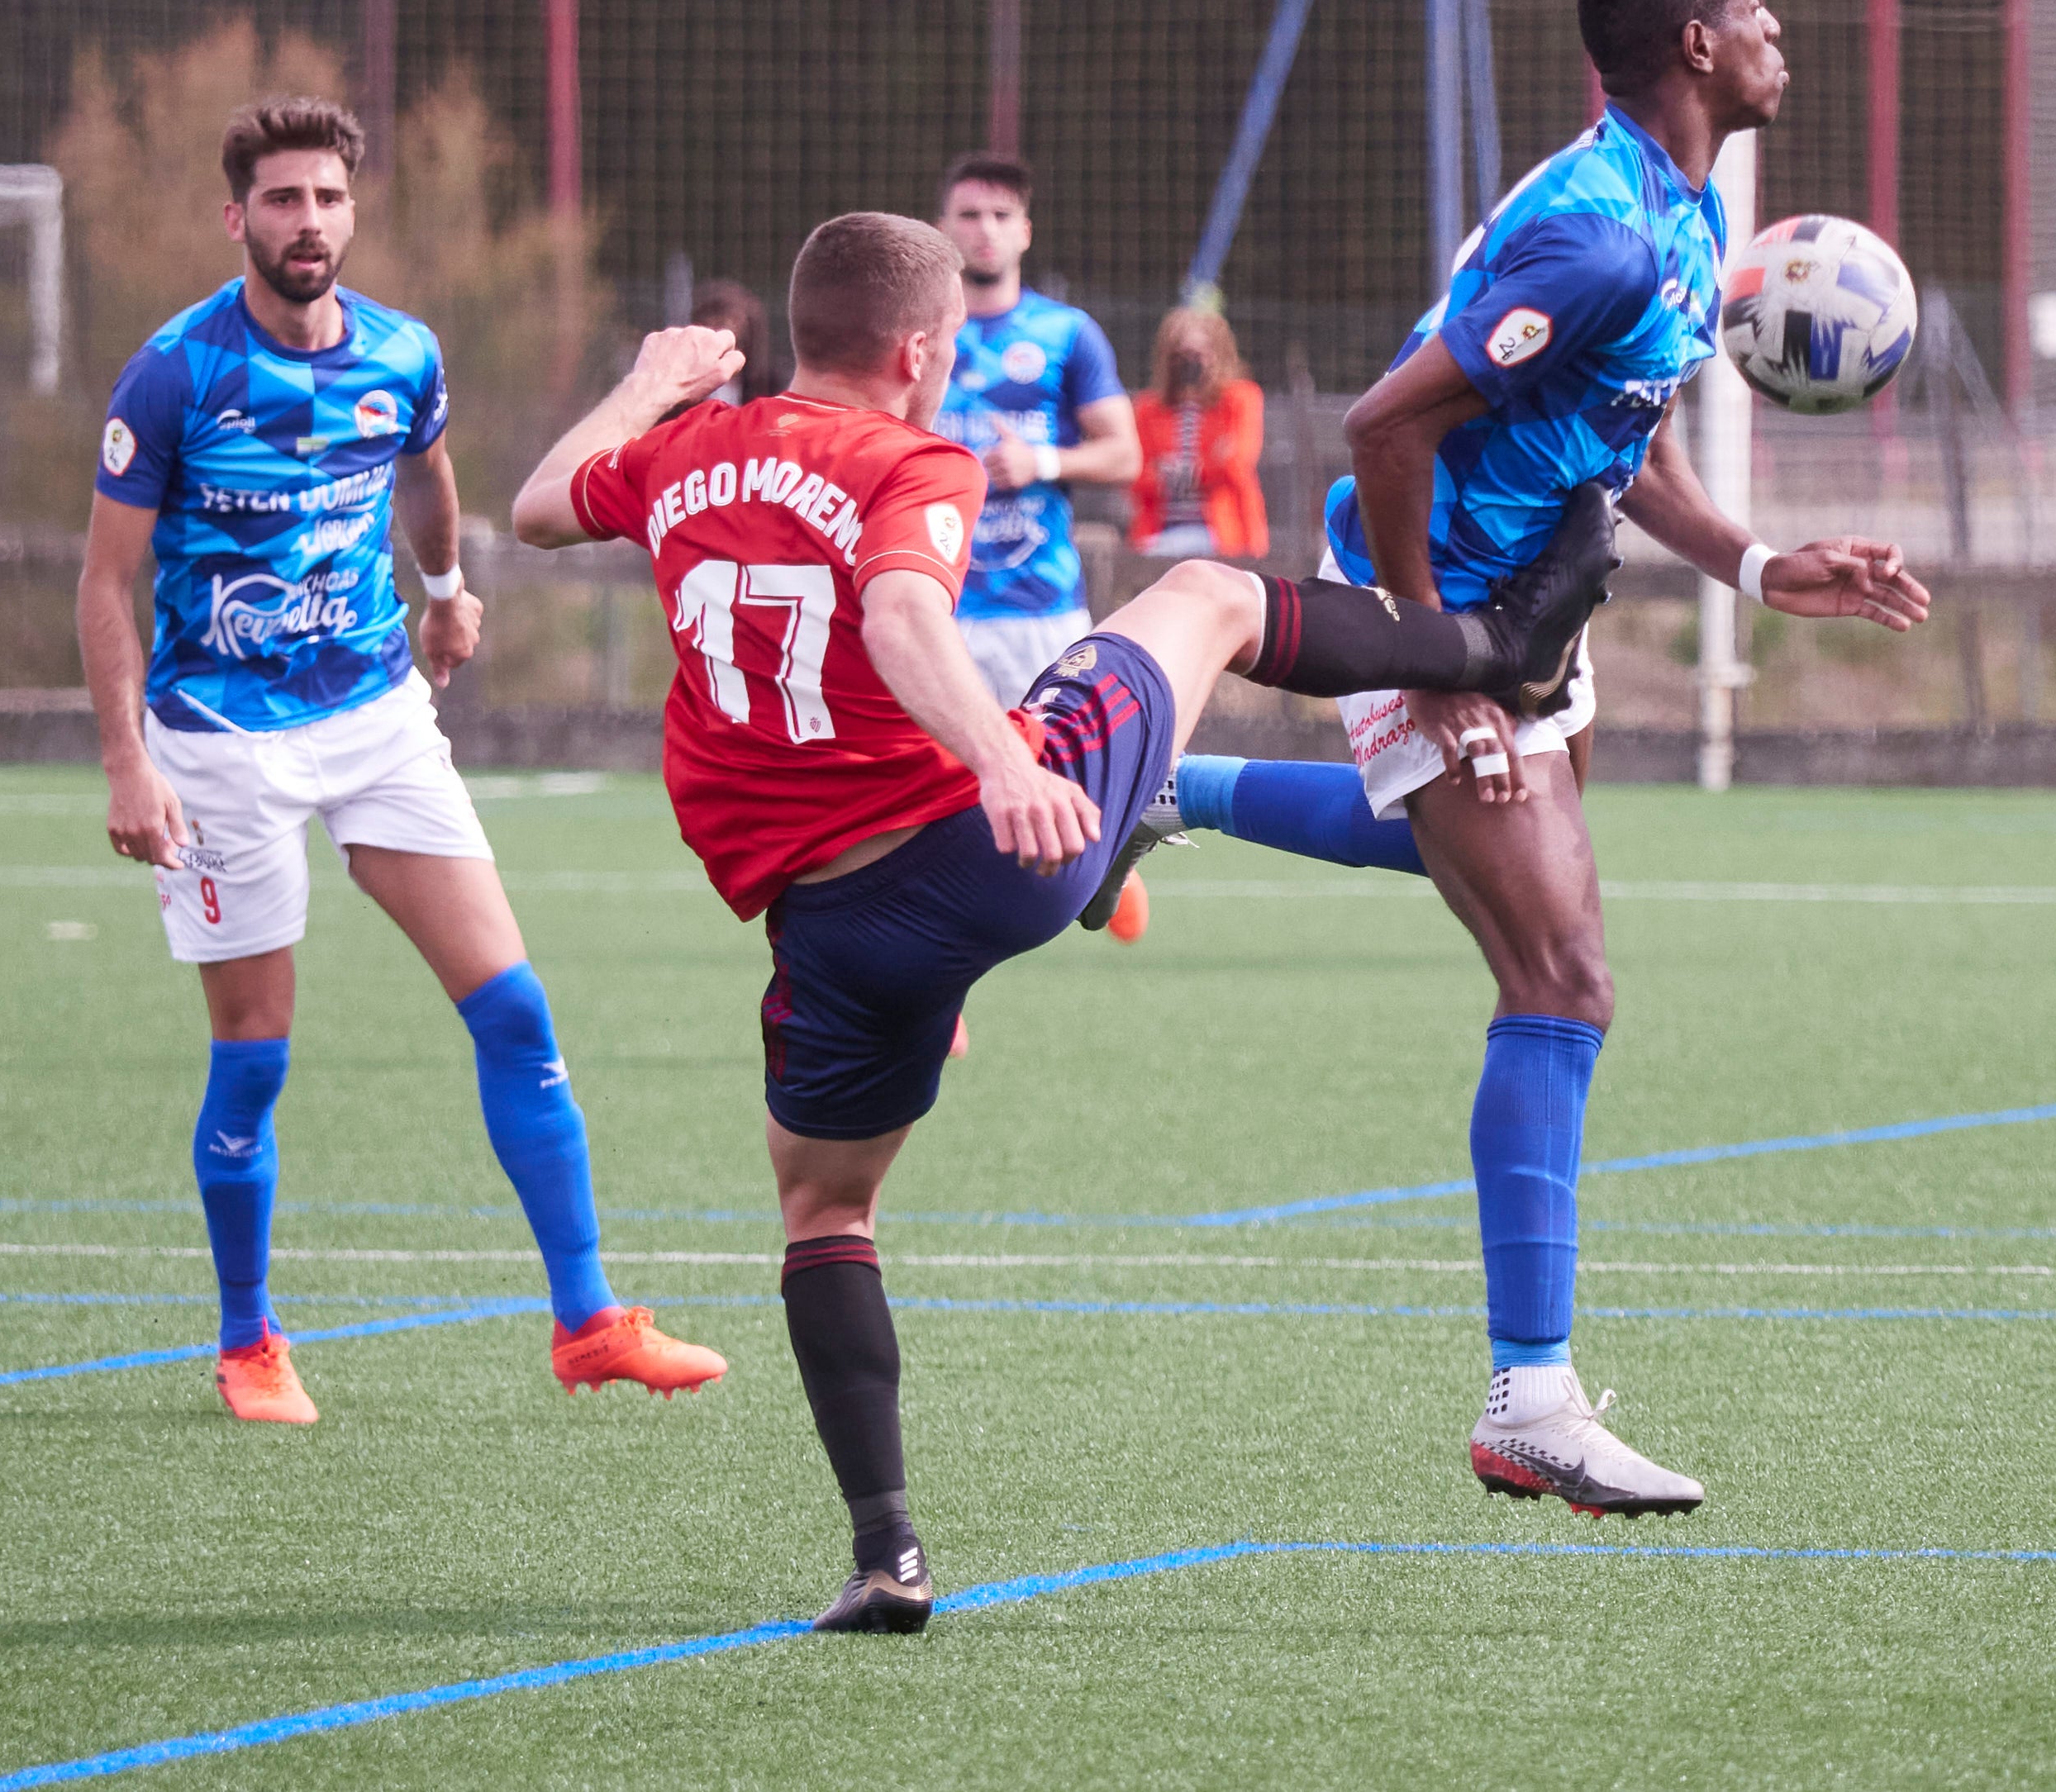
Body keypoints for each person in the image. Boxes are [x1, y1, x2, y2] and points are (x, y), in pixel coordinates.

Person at [509, 212, 1613, 1633]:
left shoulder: (678, 453)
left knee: (825, 1209)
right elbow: (907, 620)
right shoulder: (912, 455)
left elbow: (539, 505)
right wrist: (1005, 760)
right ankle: (1492, 648)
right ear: (918, 352)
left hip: (827, 930)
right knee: (1206, 592)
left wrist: (651, 383)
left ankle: (885, 1553)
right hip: (988, 850)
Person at [1107, 0, 1930, 1519]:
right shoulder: (1602, 226)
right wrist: (1429, 654)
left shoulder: (1683, 219)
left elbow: (1622, 440)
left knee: (1471, 867)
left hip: (1523, 611)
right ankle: (1528, 1398)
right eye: (1757, 12)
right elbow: (1379, 424)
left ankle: (1167, 792)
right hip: (1443, 607)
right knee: (1559, 969)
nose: (1780, 34)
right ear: (1697, 45)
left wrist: (1762, 567)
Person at [75, 93, 725, 1428]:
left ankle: (589, 1319)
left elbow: (427, 474)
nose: (306, 222)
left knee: (515, 1011)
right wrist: (127, 762)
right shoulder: (176, 370)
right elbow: (103, 578)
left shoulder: (401, 352)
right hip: (221, 747)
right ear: (236, 216)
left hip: (378, 717)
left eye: (325, 198)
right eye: (280, 200)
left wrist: (445, 586)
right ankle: (249, 1339)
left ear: (352, 210)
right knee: (254, 1057)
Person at [929, 153, 1149, 943]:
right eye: (967, 215)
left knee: (1073, 767)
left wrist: (1041, 463)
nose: (983, 231)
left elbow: (1124, 454)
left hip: (1039, 604)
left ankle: (1108, 869)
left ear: (1024, 231)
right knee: (922, 792)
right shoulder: (919, 334)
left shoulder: (1065, 335)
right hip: (932, 606)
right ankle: (934, 962)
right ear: (943, 230)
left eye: (999, 216)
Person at [1129, 304, 1268, 562]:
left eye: (1197, 354)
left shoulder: (1240, 399)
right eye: (1178, 355)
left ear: (1218, 354)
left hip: (1223, 534)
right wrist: (1205, 465)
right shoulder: (1147, 409)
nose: (1188, 363)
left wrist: (1183, 472)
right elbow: (1136, 476)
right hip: (1160, 533)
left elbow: (1237, 463)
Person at [688, 278, 773, 406]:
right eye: (710, 315)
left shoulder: (770, 384)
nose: (717, 324)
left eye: (728, 316)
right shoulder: (685, 383)